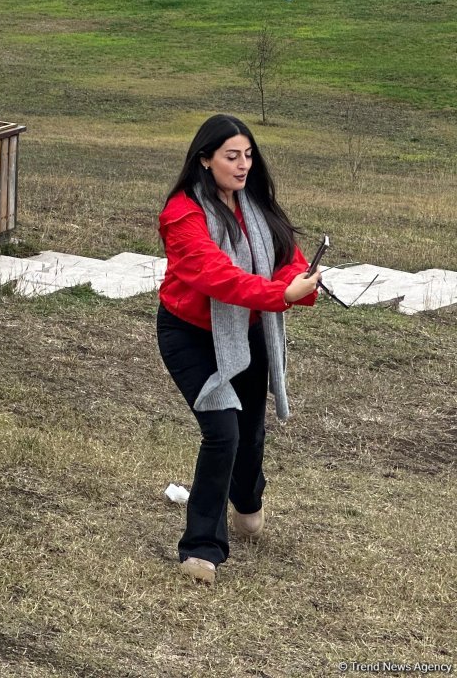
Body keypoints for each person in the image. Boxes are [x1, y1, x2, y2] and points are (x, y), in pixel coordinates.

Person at [157, 113, 321, 585]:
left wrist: (297, 281)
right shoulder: (183, 213)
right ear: (205, 159)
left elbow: (287, 260)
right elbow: (216, 276)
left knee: (248, 433)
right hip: (189, 334)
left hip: (250, 332)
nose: (243, 164)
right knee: (223, 430)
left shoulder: (257, 206)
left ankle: (247, 501)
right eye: (232, 156)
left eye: (248, 155)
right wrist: (280, 295)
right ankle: (201, 549)